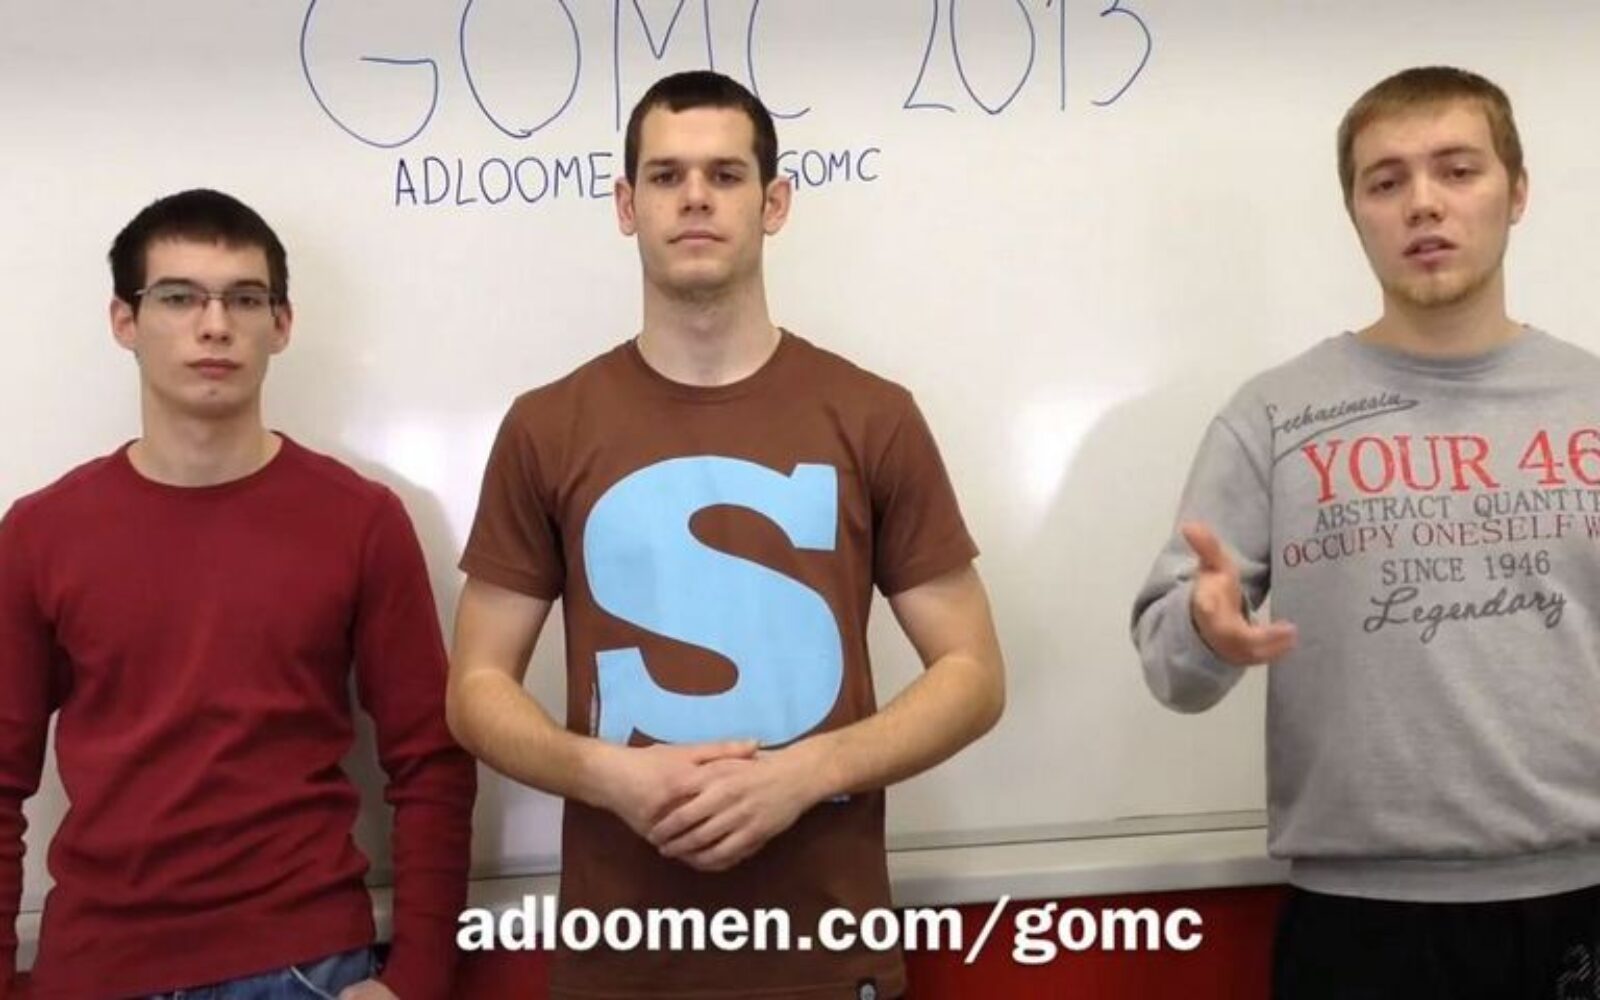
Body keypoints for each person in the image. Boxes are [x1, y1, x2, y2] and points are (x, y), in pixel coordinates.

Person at [448, 70, 1005, 999]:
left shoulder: (872, 416)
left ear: (773, 203)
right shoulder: (547, 426)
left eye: (726, 174)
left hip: (828, 959)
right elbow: (474, 689)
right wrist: (606, 776)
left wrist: (805, 774)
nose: (696, 197)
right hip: (619, 965)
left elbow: (974, 673)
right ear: (626, 206)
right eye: (666, 176)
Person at [1133, 66, 1600, 997]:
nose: (1423, 203)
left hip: (1580, 899)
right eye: (1386, 182)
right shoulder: (1275, 415)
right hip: (1357, 924)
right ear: (1356, 213)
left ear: (1517, 191)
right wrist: (1205, 630)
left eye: (1458, 170)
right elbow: (1170, 668)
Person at [0, 189, 476, 999]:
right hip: (97, 969)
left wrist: (419, 979)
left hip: (304, 965)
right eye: (178, 298)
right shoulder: (40, 533)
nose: (214, 325)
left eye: (244, 299)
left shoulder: (361, 520)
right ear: (124, 320)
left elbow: (432, 758)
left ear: (280, 325)